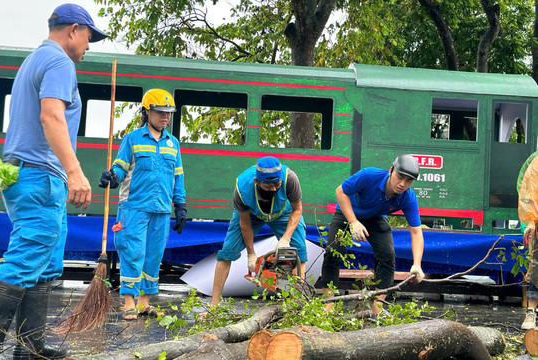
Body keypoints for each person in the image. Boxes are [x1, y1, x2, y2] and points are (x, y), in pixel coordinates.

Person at [0, 4, 108, 359]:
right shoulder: (59, 61)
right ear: (73, 30)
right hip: (41, 175)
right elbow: (51, 116)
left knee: (44, 264)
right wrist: (75, 170)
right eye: (89, 37)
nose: (89, 47)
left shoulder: (33, 60)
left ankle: (31, 348)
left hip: (27, 174)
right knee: (26, 258)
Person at [99, 88, 187, 321]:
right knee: (132, 252)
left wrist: (180, 206)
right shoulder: (133, 139)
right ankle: (128, 303)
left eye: (169, 113)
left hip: (161, 209)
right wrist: (113, 177)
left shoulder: (173, 144)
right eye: (160, 112)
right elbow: (120, 167)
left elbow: (178, 177)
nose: (165, 117)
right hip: (134, 207)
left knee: (153, 255)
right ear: (147, 112)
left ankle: (143, 304)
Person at [319, 154, 425, 316]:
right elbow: (340, 192)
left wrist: (417, 264)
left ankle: (378, 307)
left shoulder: (408, 197)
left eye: (408, 181)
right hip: (347, 212)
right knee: (333, 252)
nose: (402, 184)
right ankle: (329, 303)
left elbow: (416, 231)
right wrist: (353, 222)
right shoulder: (369, 175)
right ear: (391, 171)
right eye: (400, 177)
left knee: (388, 257)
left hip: (375, 218)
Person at [210, 156, 308, 305]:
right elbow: (244, 223)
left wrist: (285, 239)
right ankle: (214, 304)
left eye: (277, 184)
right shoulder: (242, 188)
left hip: (284, 213)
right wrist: (251, 254)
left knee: (298, 252)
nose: (274, 188)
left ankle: (295, 305)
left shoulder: (290, 178)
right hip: (251, 214)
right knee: (227, 251)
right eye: (269, 186)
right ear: (257, 182)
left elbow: (297, 210)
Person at [517, 150, 538, 330]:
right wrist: (530, 221)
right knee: (537, 269)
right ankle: (531, 313)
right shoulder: (536, 162)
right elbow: (527, 192)